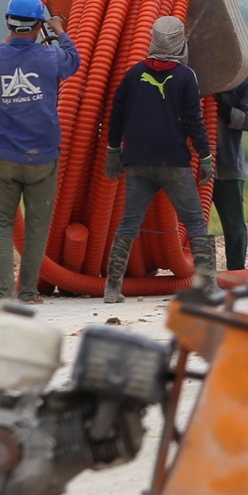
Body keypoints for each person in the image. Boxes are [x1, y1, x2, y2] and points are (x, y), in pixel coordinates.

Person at [103, 16, 217, 303]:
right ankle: (209, 287)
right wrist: (205, 156)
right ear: (180, 44)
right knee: (194, 223)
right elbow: (194, 120)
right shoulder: (185, 76)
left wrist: (114, 151)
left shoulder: (133, 73)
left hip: (137, 162)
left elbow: (116, 114)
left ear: (153, 41)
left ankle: (112, 289)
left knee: (129, 223)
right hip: (173, 163)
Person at [0, 0, 80, 304]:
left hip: (4, 157)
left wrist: (13, 34)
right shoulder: (51, 59)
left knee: (1, 224)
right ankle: (28, 292)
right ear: (38, 25)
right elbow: (74, 61)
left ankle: (3, 293)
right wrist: (59, 31)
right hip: (43, 157)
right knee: (37, 226)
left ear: (8, 22)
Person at [211, 49, 248, 274]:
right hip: (191, 165)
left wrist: (226, 109)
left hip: (227, 165)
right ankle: (193, 272)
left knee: (233, 224)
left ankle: (236, 272)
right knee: (191, 224)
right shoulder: (191, 79)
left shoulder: (246, 85)